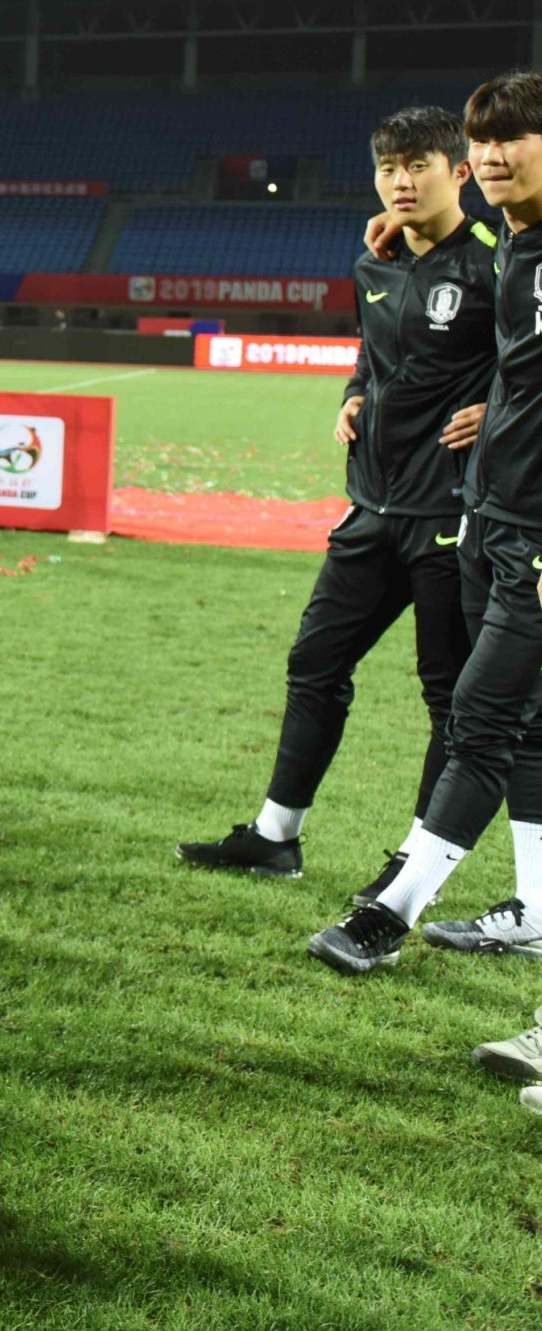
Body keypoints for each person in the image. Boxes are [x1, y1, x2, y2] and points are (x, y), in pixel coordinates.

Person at [178, 106, 493, 902]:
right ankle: (275, 836)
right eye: (389, 166)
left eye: (419, 164)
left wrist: (499, 407)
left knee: (447, 695)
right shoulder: (372, 264)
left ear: (458, 172)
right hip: (372, 506)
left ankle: (415, 864)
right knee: (314, 664)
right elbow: (372, 356)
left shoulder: (500, 262)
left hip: (451, 515)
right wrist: (354, 395)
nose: (401, 180)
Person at [311, 71, 542, 974]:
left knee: (478, 719)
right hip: (488, 512)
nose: (490, 156)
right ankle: (532, 908)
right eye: (482, 142)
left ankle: (389, 913)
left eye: (511, 139)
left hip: (534, 530)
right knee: (525, 730)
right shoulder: (513, 245)